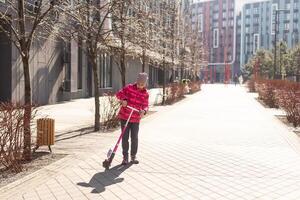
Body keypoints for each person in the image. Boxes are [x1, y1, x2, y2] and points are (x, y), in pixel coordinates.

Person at [116, 73, 149, 165]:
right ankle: (125, 158)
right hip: (125, 116)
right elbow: (119, 94)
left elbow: (146, 105)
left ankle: (133, 156)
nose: (140, 86)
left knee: (134, 138)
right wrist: (124, 100)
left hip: (135, 118)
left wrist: (144, 111)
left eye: (142, 84)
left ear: (145, 84)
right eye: (139, 84)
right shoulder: (129, 87)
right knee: (125, 137)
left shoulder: (145, 93)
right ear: (137, 81)